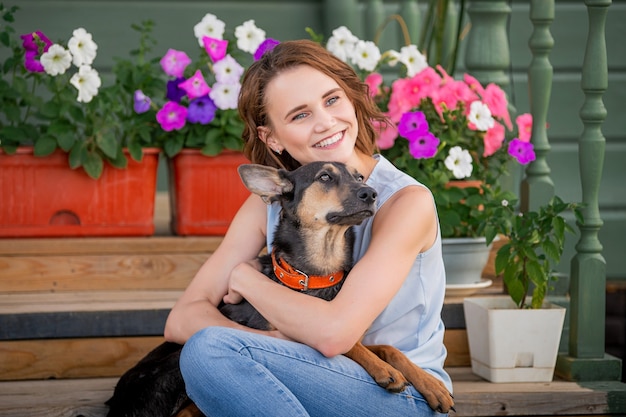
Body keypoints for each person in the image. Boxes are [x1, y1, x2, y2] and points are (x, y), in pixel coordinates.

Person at [164, 39, 452, 417]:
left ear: (351, 100)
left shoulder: (404, 202)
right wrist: (271, 345)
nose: (325, 122)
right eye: (300, 115)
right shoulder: (269, 203)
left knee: (209, 352)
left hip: (403, 394)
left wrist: (245, 278)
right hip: (306, 378)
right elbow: (182, 318)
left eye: (332, 100)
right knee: (205, 353)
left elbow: (334, 335)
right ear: (272, 138)